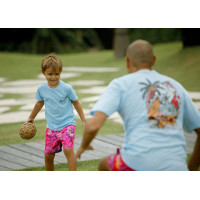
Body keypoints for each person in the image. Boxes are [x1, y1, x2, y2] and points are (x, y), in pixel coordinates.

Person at [76, 39, 200, 171]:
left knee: (104, 165)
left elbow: (92, 127)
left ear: (127, 61)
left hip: (136, 163)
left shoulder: (120, 84)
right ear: (153, 60)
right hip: (177, 167)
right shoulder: (176, 86)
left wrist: (83, 146)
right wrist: (191, 169)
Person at [26, 54, 86, 171]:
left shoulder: (67, 88)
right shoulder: (41, 89)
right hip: (52, 127)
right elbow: (39, 103)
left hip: (67, 125)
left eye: (56, 74)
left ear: (60, 72)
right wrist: (31, 118)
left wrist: (83, 120)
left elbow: (76, 103)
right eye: (50, 74)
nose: (53, 77)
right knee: (48, 155)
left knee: (68, 150)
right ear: (43, 72)